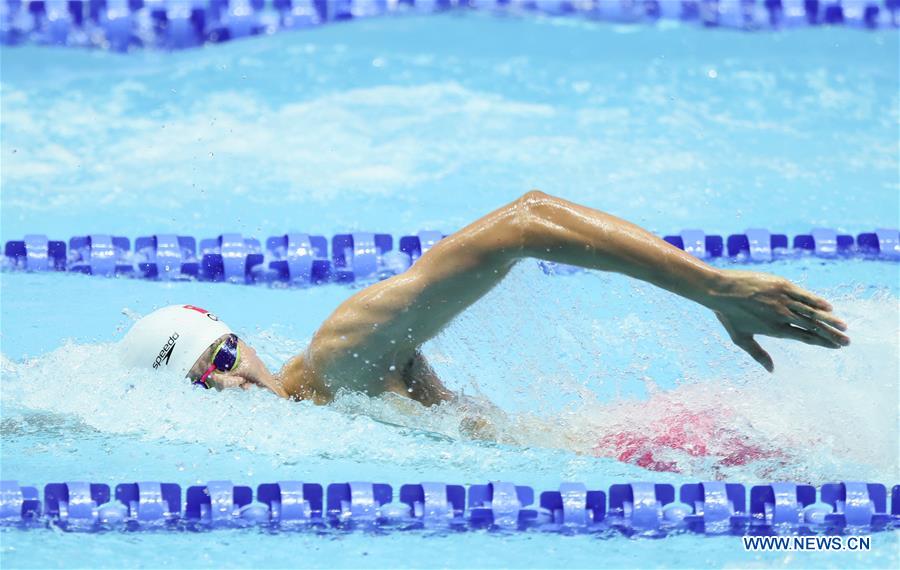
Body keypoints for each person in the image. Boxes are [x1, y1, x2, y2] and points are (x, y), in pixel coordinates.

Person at [120, 191, 850, 407]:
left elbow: (524, 222)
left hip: (644, 449)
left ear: (241, 339)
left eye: (221, 356)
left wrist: (713, 287)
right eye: (200, 381)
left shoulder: (342, 356)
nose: (227, 380)